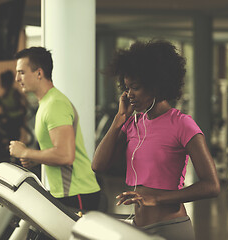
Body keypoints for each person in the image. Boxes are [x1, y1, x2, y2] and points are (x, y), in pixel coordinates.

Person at [92, 39, 220, 240]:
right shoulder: (132, 123)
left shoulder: (182, 124)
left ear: (156, 86)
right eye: (126, 88)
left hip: (170, 228)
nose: (129, 94)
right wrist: (119, 120)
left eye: (136, 87)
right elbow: (98, 165)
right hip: (137, 226)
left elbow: (211, 185)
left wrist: (157, 198)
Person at [9, 47, 101, 211]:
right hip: (66, 193)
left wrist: (25, 152)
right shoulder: (46, 103)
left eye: (21, 72)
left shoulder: (55, 105)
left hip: (78, 193)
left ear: (39, 73)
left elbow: (65, 155)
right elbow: (55, 152)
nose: (17, 78)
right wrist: (35, 157)